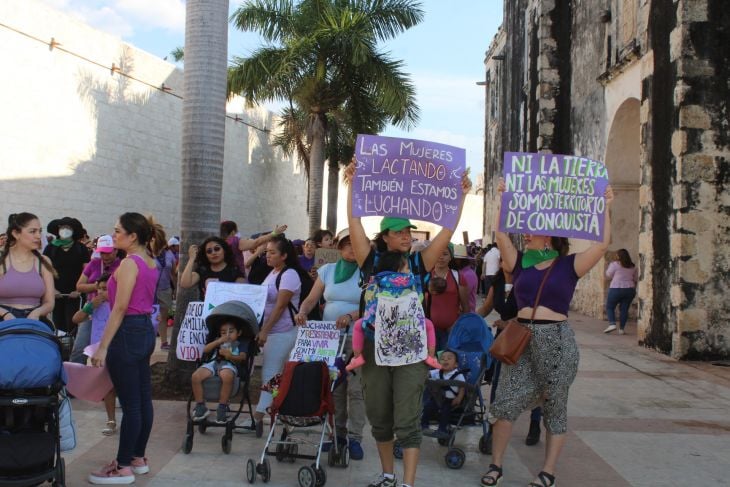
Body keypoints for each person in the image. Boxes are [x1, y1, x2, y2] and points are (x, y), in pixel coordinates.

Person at [345, 159, 472, 487]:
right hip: (373, 349)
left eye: (407, 230)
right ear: (385, 236)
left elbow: (446, 234)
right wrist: (352, 186)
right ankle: (388, 476)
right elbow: (354, 221)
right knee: (379, 417)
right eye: (398, 231)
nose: (405, 235)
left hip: (410, 350)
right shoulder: (369, 262)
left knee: (408, 419)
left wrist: (460, 198)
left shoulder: (418, 263)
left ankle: (408, 483)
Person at [480, 181, 613, 487]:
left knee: (555, 405)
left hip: (556, 340)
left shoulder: (569, 265)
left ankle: (547, 472)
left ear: (549, 233)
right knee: (505, 403)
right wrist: (504, 199)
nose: (525, 233)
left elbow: (602, 245)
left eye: (531, 228)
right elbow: (501, 234)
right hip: (521, 338)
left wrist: (606, 205)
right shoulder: (520, 264)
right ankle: (496, 466)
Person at [88, 213, 163, 485]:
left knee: (132, 405)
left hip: (128, 331)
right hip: (144, 329)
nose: (114, 233)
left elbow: (119, 308)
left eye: (118, 230)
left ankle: (122, 466)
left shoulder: (131, 263)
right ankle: (137, 458)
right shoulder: (151, 261)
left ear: (133, 236)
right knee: (142, 400)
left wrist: (102, 347)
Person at [294, 227, 367, 459]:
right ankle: (337, 434)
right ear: (339, 247)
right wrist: (303, 311)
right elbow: (311, 299)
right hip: (329, 339)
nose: (352, 249)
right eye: (347, 244)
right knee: (334, 388)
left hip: (357, 339)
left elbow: (372, 306)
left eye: (356, 244)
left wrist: (351, 317)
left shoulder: (368, 273)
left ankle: (355, 438)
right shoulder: (327, 270)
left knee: (356, 391)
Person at [477, 260, 542, 451]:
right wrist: (470, 317)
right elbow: (487, 306)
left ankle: (535, 423)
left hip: (525, 335)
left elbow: (533, 311)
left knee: (532, 381)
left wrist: (511, 323)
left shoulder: (527, 281)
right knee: (498, 383)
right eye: (503, 259)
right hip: (504, 339)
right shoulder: (497, 283)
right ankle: (492, 430)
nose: (506, 262)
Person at [346, 251, 441, 371]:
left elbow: (369, 299)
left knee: (358, 326)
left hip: (381, 324)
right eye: (406, 267)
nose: (408, 270)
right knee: (429, 326)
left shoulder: (376, 280)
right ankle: (431, 356)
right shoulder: (411, 280)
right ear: (398, 268)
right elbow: (419, 298)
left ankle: (357, 357)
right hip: (407, 323)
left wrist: (371, 318)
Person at [251, 236, 305, 435]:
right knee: (274, 375)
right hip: (272, 332)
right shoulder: (273, 273)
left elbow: (281, 305)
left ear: (284, 255)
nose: (268, 255)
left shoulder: (289, 274)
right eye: (267, 252)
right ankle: (277, 415)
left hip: (283, 332)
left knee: (270, 374)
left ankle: (259, 416)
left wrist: (265, 330)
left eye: (272, 252)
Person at [72, 273, 117, 436]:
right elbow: (76, 319)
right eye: (99, 289)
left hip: (117, 348)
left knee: (122, 384)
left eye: (105, 289)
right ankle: (111, 420)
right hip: (98, 350)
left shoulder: (118, 304)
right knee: (107, 386)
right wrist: (90, 306)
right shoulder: (94, 305)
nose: (101, 293)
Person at [72, 235, 122, 364]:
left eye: (108, 252)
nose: (105, 256)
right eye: (102, 253)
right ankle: (74, 378)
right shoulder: (94, 263)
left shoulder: (122, 265)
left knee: (113, 348)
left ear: (116, 250)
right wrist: (97, 287)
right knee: (80, 347)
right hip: (93, 307)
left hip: (113, 309)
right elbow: (79, 286)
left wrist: (110, 292)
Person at [0, 213, 56, 324]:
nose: (38, 236)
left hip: (36, 318)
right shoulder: (1, 259)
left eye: (39, 231)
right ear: (16, 234)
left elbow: (49, 302)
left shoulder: (44, 261)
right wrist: (5, 314)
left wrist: (37, 313)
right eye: (32, 231)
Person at [191, 320, 248, 424]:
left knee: (227, 376)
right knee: (196, 376)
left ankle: (222, 406)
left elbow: (243, 357)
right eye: (223, 332)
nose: (227, 335)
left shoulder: (240, 343)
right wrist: (218, 342)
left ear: (238, 333)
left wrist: (230, 356)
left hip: (229, 364)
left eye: (231, 331)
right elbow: (206, 350)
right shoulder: (218, 341)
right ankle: (200, 405)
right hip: (213, 363)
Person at [44, 216, 90, 332]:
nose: (65, 230)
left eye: (68, 227)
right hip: (56, 295)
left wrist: (79, 290)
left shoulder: (81, 248)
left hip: (75, 295)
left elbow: (87, 271)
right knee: (57, 324)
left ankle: (72, 347)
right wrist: (52, 290)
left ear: (73, 230)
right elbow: (45, 270)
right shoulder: (50, 248)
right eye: (62, 227)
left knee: (73, 324)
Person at [426, 243, 469, 352]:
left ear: (451, 257)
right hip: (430, 330)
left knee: (447, 362)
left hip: (452, 330)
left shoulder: (458, 277)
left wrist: (459, 325)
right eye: (438, 253)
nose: (441, 257)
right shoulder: (426, 276)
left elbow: (465, 306)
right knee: (432, 363)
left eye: (445, 254)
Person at [179, 236, 245, 298]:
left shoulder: (234, 270)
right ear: (206, 255)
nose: (213, 253)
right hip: (206, 309)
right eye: (209, 251)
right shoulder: (202, 270)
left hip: (226, 309)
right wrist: (191, 259)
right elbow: (185, 284)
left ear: (224, 250)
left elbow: (242, 292)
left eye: (217, 249)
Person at [420, 349, 465, 438]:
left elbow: (462, 387)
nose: (445, 360)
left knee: (445, 411)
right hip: (437, 399)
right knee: (427, 406)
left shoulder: (458, 375)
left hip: (450, 400)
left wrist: (459, 398)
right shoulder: (437, 372)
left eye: (449, 358)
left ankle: (442, 429)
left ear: (456, 364)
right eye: (442, 358)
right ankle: (423, 425)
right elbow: (427, 374)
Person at [150, 226, 176, 350]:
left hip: (165, 289)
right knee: (150, 317)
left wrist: (175, 288)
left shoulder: (169, 254)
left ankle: (164, 342)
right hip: (150, 290)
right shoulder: (147, 254)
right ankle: (149, 341)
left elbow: (173, 272)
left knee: (163, 317)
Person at [603, 249, 638, 335]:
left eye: (617, 255)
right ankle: (621, 329)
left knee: (610, 307)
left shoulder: (615, 264)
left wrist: (607, 268)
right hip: (630, 290)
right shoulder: (633, 266)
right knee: (624, 309)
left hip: (616, 288)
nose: (616, 256)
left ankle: (612, 324)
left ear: (619, 256)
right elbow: (636, 279)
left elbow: (608, 275)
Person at [453, 244, 478, 312]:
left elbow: (462, 296)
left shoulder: (468, 274)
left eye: (455, 259)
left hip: (466, 313)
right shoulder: (459, 272)